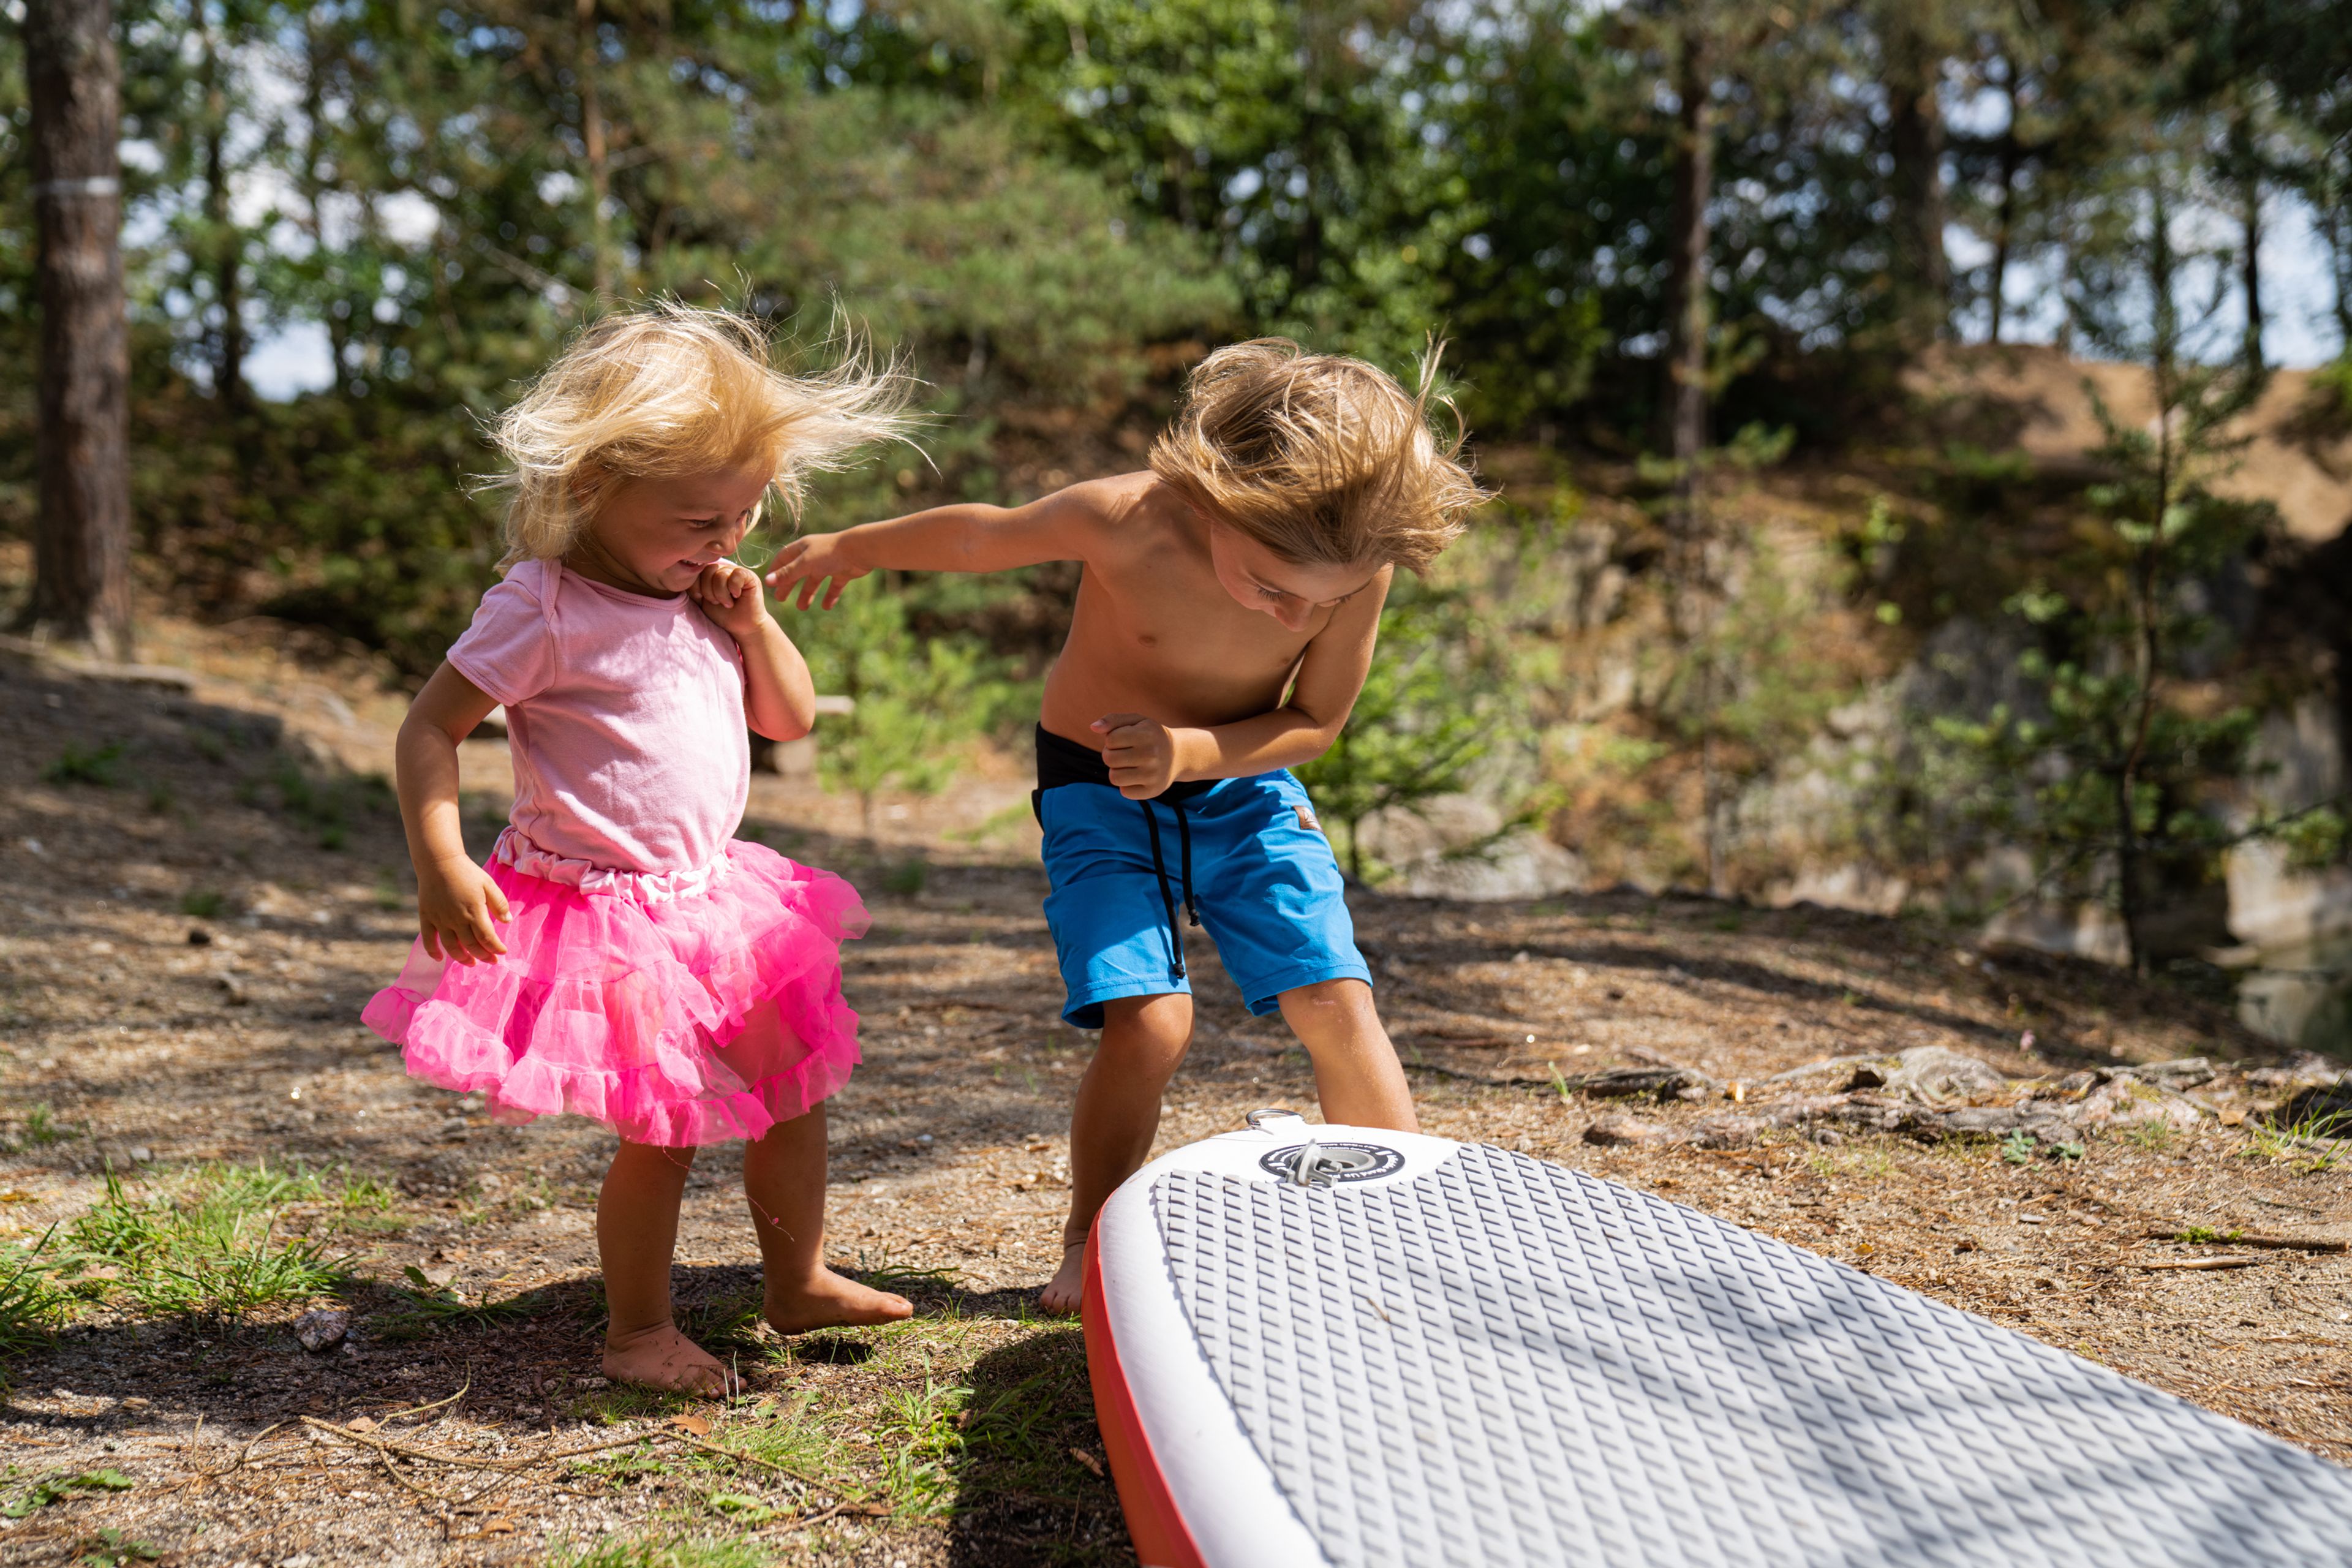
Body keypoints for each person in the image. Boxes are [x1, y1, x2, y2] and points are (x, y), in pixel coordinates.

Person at [766, 337, 1488, 1313]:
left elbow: (1313, 722)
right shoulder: (1126, 519)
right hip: (1096, 786)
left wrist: (1192, 752)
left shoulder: (1356, 573)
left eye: (1316, 605)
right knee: (1150, 1023)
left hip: (1244, 783)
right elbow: (982, 537)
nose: (1291, 615)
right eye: (1272, 586)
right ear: (1218, 498)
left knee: (1336, 1002)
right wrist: (857, 548)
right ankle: (1088, 1241)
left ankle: (1401, 1239)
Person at [364, 304, 919, 1392]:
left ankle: (795, 1278)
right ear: (590, 490)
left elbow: (792, 718)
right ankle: (636, 1333)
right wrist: (440, 858)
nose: (724, 540)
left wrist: (754, 623)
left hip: (717, 899)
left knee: (796, 1089)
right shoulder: (545, 605)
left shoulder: (707, 595)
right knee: (662, 1130)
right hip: (608, 918)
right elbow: (430, 728)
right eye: (699, 517)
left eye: (746, 515)